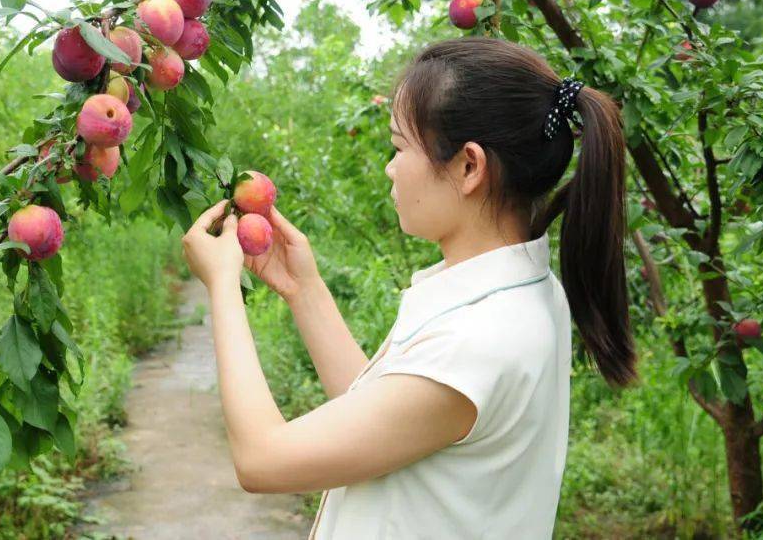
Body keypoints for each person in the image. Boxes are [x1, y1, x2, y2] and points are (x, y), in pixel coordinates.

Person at [181, 36, 637, 539]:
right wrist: (303, 290)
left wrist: (223, 286)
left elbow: (262, 460)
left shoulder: (482, 338)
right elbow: (387, 415)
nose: (389, 167)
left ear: (469, 166)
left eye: (400, 147)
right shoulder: (513, 296)